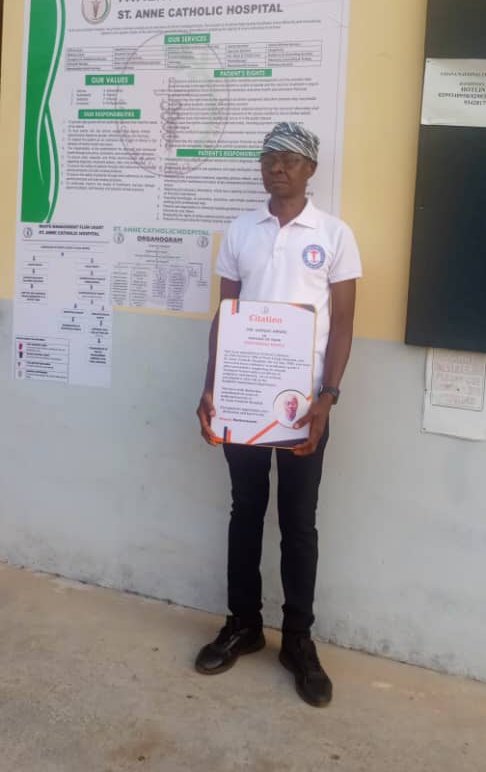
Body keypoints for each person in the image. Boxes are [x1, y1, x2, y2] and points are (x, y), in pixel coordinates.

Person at [195, 122, 362, 707]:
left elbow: (343, 325)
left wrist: (327, 398)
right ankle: (243, 624)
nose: (278, 167)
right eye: (269, 158)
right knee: (245, 510)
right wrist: (211, 386)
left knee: (298, 521)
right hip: (243, 398)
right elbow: (226, 314)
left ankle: (297, 640)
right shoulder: (241, 230)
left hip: (303, 405)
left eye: (290, 159)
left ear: (311, 169)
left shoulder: (335, 235)